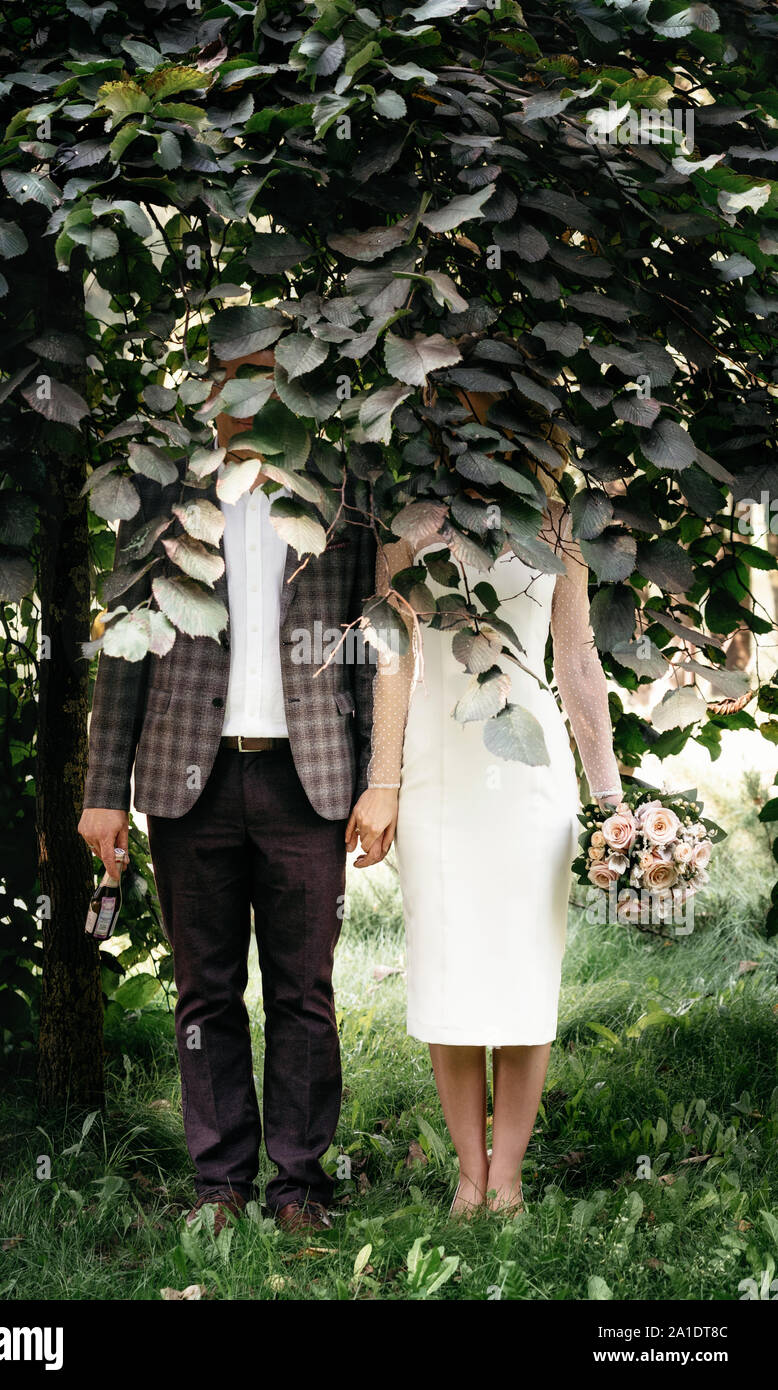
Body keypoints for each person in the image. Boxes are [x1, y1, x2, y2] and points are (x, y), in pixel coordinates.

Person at [78, 349, 376, 1234]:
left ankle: (299, 1185)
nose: (246, 396)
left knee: (303, 989)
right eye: (231, 377)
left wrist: (381, 779)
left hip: (306, 778)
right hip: (185, 780)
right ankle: (219, 1182)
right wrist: (102, 789)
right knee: (204, 992)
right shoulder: (159, 494)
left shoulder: (339, 492)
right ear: (208, 394)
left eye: (264, 374)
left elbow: (368, 640)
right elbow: (123, 649)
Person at [347, 392, 623, 1218]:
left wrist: (610, 796)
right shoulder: (411, 520)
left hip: (531, 770)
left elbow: (576, 658)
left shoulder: (557, 520)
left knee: (525, 977)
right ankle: (470, 1174)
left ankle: (510, 1176)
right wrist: (384, 779)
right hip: (438, 772)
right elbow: (392, 658)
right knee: (451, 973)